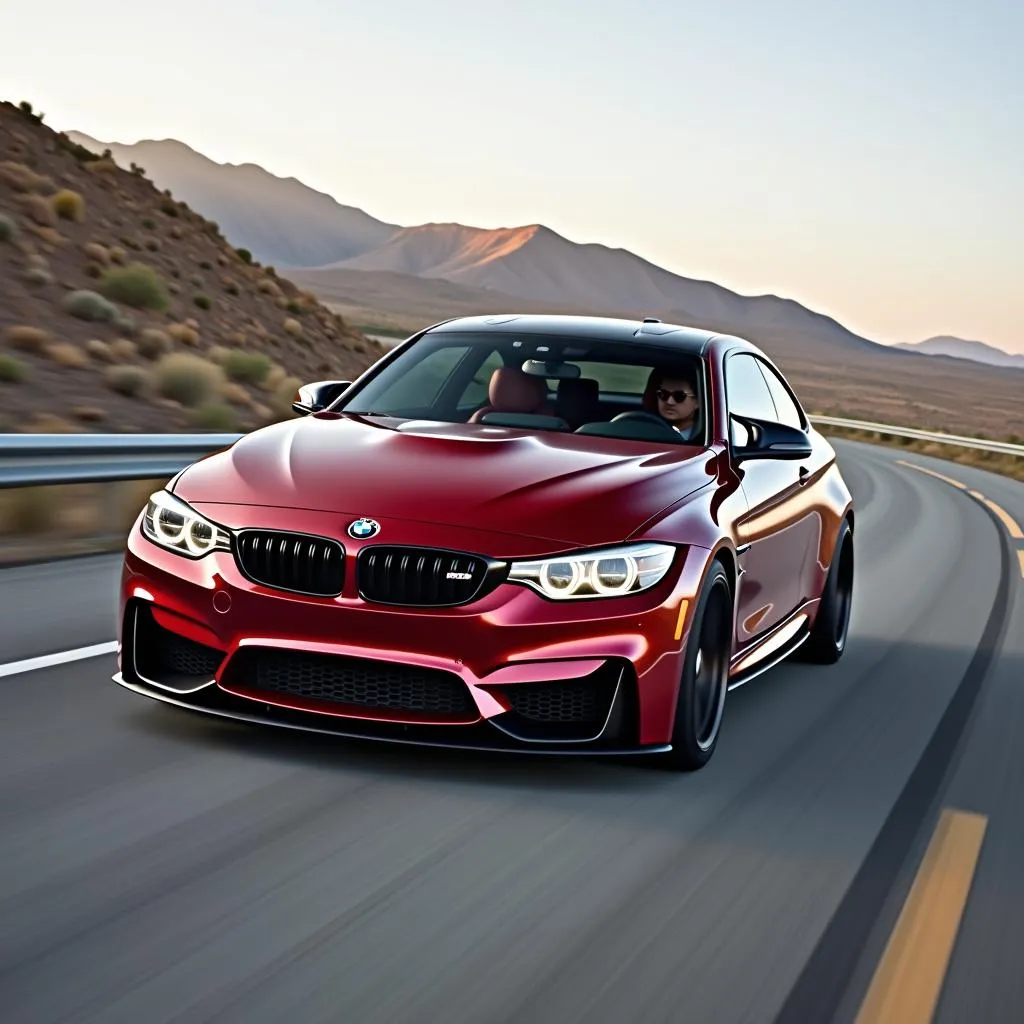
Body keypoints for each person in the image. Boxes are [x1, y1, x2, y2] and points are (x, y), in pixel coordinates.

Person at [642, 366, 702, 441]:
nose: (669, 402)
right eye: (663, 394)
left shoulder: (707, 438)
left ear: (697, 402)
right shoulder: (643, 431)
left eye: (679, 396)